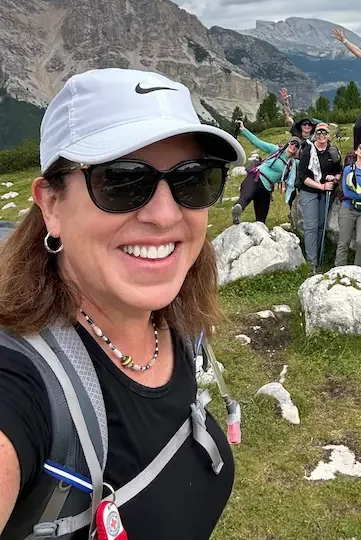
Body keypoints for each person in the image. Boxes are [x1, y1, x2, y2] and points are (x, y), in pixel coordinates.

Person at [0, 68, 245, 539]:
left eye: (192, 180)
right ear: (50, 204)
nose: (165, 214)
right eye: (121, 181)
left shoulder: (172, 318)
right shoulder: (22, 382)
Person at [231, 122, 300, 225]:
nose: (293, 146)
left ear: (298, 149)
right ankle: (237, 211)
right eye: (292, 143)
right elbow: (258, 142)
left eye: (296, 145)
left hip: (266, 188)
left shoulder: (294, 163)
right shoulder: (275, 150)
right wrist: (243, 130)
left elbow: (306, 166)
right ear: (288, 143)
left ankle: (257, 229)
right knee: (245, 197)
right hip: (255, 177)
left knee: (261, 218)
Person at [297, 123, 342, 273]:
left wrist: (334, 180)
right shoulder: (308, 150)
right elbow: (302, 176)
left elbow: (338, 171)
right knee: (311, 226)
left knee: (322, 226)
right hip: (309, 191)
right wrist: (321, 186)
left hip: (326, 192)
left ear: (329, 134)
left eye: (325, 133)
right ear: (315, 134)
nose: (322, 136)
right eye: (319, 133)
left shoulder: (333, 151)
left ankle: (318, 259)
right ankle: (312, 264)